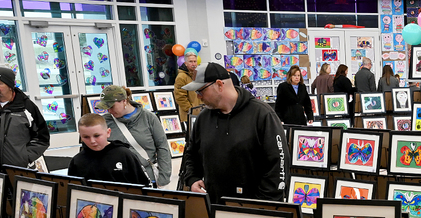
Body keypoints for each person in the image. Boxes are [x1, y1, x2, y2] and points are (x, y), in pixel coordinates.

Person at [181, 62, 289, 202]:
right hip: (215, 207)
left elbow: (278, 164)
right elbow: (191, 153)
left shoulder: (262, 114)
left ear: (220, 85)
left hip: (255, 209)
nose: (199, 97)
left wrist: (262, 205)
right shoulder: (203, 118)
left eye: (201, 91)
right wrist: (192, 178)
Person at [95, 85, 171, 186]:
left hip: (147, 178)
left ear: (124, 101)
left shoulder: (149, 117)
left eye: (111, 106)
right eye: (106, 107)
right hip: (117, 180)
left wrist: (163, 178)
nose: (109, 110)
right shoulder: (104, 122)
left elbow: (162, 147)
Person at [68, 113, 151, 185]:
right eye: (86, 137)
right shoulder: (77, 161)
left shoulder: (125, 155)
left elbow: (144, 184)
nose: (92, 141)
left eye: (97, 136)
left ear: (108, 133)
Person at [174, 50, 203, 123]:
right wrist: (191, 110)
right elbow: (180, 97)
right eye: (190, 61)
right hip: (189, 116)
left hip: (201, 113)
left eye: (195, 61)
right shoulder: (181, 77)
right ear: (185, 63)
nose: (193, 64)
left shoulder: (198, 74)